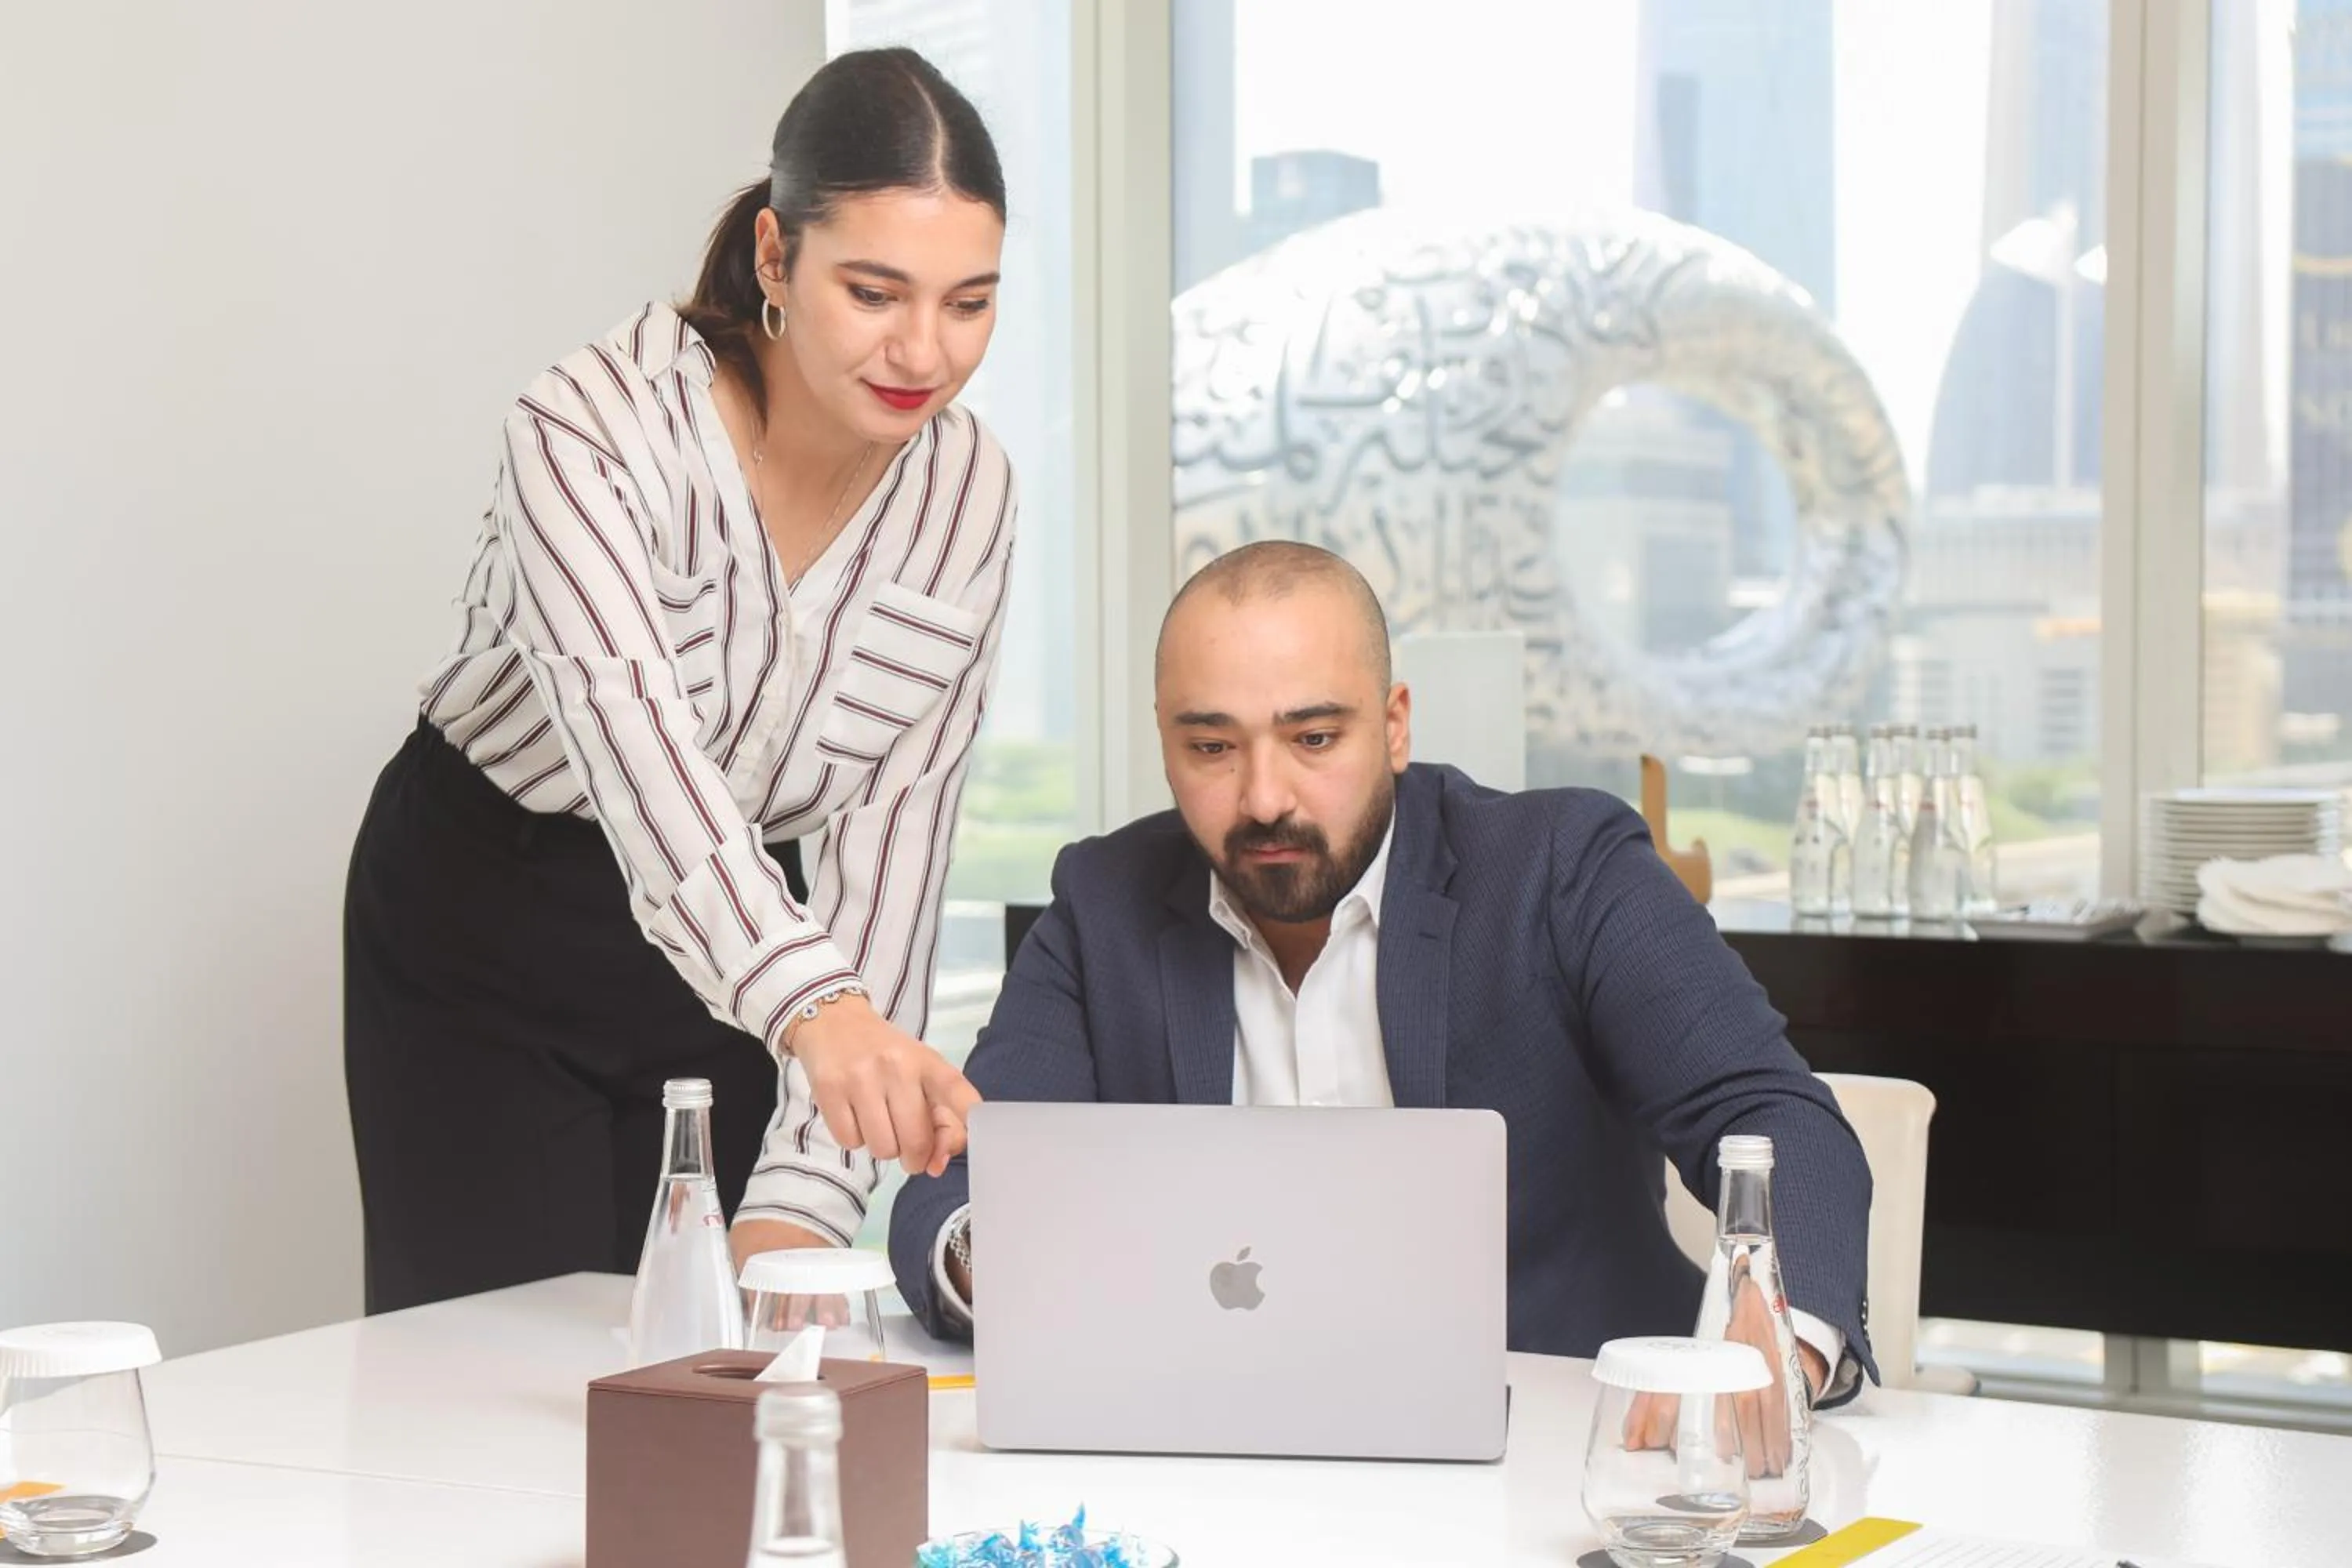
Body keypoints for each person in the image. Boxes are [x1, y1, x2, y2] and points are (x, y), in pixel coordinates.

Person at [891, 541, 1876, 1417]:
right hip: (1211, 1449)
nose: (1264, 797)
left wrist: (1775, 1343)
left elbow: (1770, 1116)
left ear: (1395, 726)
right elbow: (965, 1178)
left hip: (1564, 1454)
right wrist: (999, 1260)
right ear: (1164, 739)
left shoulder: (1562, 867)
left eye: (1314, 738)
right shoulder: (1105, 900)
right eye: (1212, 747)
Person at [345, 47, 1014, 1315]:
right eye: (874, 292)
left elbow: (896, 849)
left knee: (724, 1349)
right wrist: (819, 1010)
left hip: (757, 930)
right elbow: (639, 755)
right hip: (494, 910)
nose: (923, 350)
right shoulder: (588, 430)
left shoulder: (970, 494)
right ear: (776, 257)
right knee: (494, 1366)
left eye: (969, 302)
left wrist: (806, 1197)